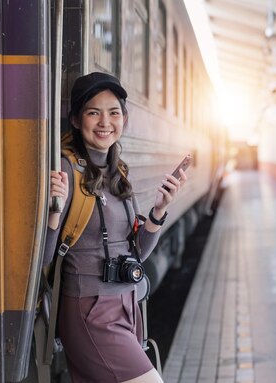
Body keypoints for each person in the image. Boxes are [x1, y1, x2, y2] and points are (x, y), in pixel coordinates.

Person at [43, 72, 187, 383]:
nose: (104, 122)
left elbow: (138, 253)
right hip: (89, 310)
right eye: (93, 112)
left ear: (124, 119)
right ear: (77, 120)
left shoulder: (119, 173)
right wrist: (54, 210)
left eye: (114, 112)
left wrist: (159, 210)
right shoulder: (68, 169)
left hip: (127, 305)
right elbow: (42, 259)